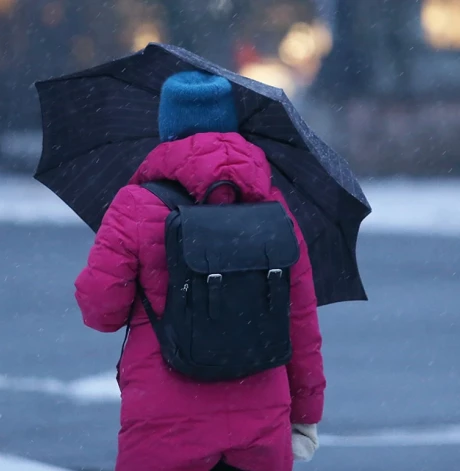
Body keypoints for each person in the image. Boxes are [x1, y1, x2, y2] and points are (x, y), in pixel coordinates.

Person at [75, 71, 325, 471]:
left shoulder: (135, 205)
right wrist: (306, 414)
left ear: (166, 126)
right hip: (260, 420)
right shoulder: (276, 211)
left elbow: (100, 312)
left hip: (164, 423)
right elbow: (300, 322)